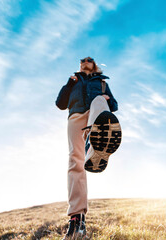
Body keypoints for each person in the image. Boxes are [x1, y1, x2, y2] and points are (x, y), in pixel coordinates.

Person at [56, 57, 122, 239]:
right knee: (74, 161)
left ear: (94, 65)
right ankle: (76, 219)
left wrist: (106, 97)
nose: (85, 61)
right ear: (79, 65)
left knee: (100, 101)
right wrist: (70, 83)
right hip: (75, 115)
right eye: (82, 60)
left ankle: (94, 144)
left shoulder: (101, 82)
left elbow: (114, 106)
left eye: (89, 59)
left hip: (95, 113)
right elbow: (60, 104)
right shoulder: (73, 81)